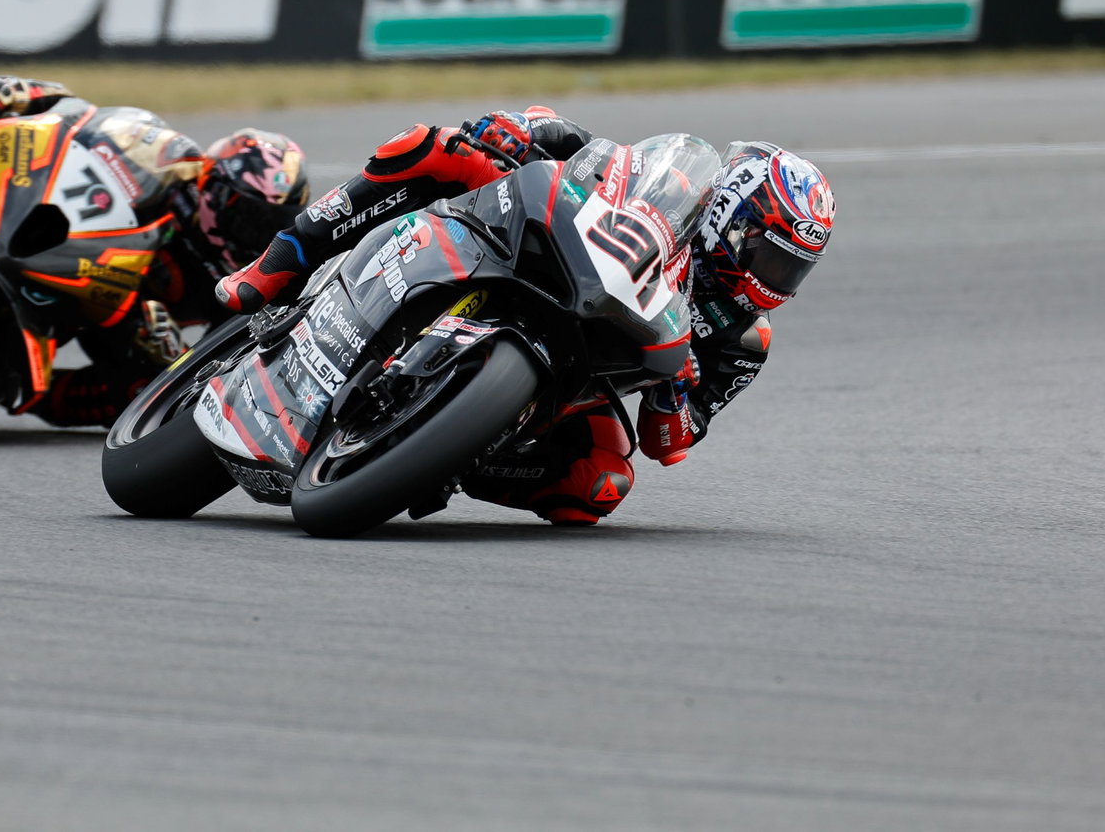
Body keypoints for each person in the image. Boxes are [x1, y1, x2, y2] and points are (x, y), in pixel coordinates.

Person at [216, 109, 835, 526]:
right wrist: (517, 129)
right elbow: (577, 146)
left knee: (600, 487)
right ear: (730, 216)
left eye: (793, 271)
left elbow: (668, 444)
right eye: (771, 256)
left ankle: (453, 455)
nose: (775, 281)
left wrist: (675, 391)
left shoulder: (743, 339)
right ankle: (281, 261)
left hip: (576, 382)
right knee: (435, 149)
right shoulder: (668, 186)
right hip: (534, 256)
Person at [0, 74, 309, 427]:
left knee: (146, 399)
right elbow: (83, 120)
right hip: (58, 242)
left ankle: (40, 394)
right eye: (244, 213)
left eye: (266, 225)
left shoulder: (238, 285)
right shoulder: (171, 169)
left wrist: (170, 351)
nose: (249, 232)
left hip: (103, 322)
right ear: (213, 187)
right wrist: (27, 93)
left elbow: (217, 371)